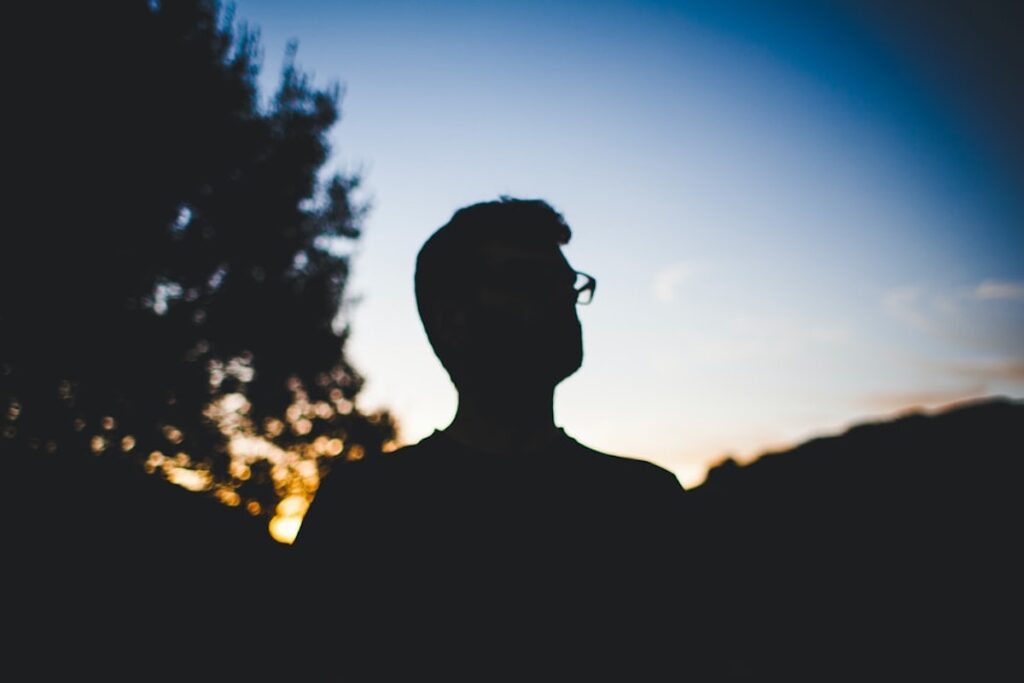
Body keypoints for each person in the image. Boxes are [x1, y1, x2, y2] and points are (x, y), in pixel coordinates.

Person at [293, 197, 695, 678]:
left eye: (567, 283)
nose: (561, 297)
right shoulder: (362, 508)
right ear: (452, 319)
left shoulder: (646, 501)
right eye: (531, 281)